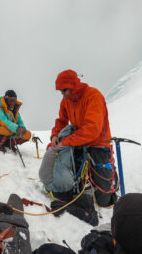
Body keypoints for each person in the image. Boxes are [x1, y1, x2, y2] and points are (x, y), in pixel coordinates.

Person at [43, 69, 117, 224]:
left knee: (104, 200)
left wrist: (67, 141)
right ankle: (81, 185)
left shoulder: (93, 96)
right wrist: (55, 135)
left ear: (73, 85)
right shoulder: (66, 100)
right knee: (72, 177)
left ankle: (112, 179)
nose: (62, 94)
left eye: (64, 90)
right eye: (60, 91)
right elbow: (61, 121)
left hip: (98, 144)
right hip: (78, 142)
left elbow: (92, 129)